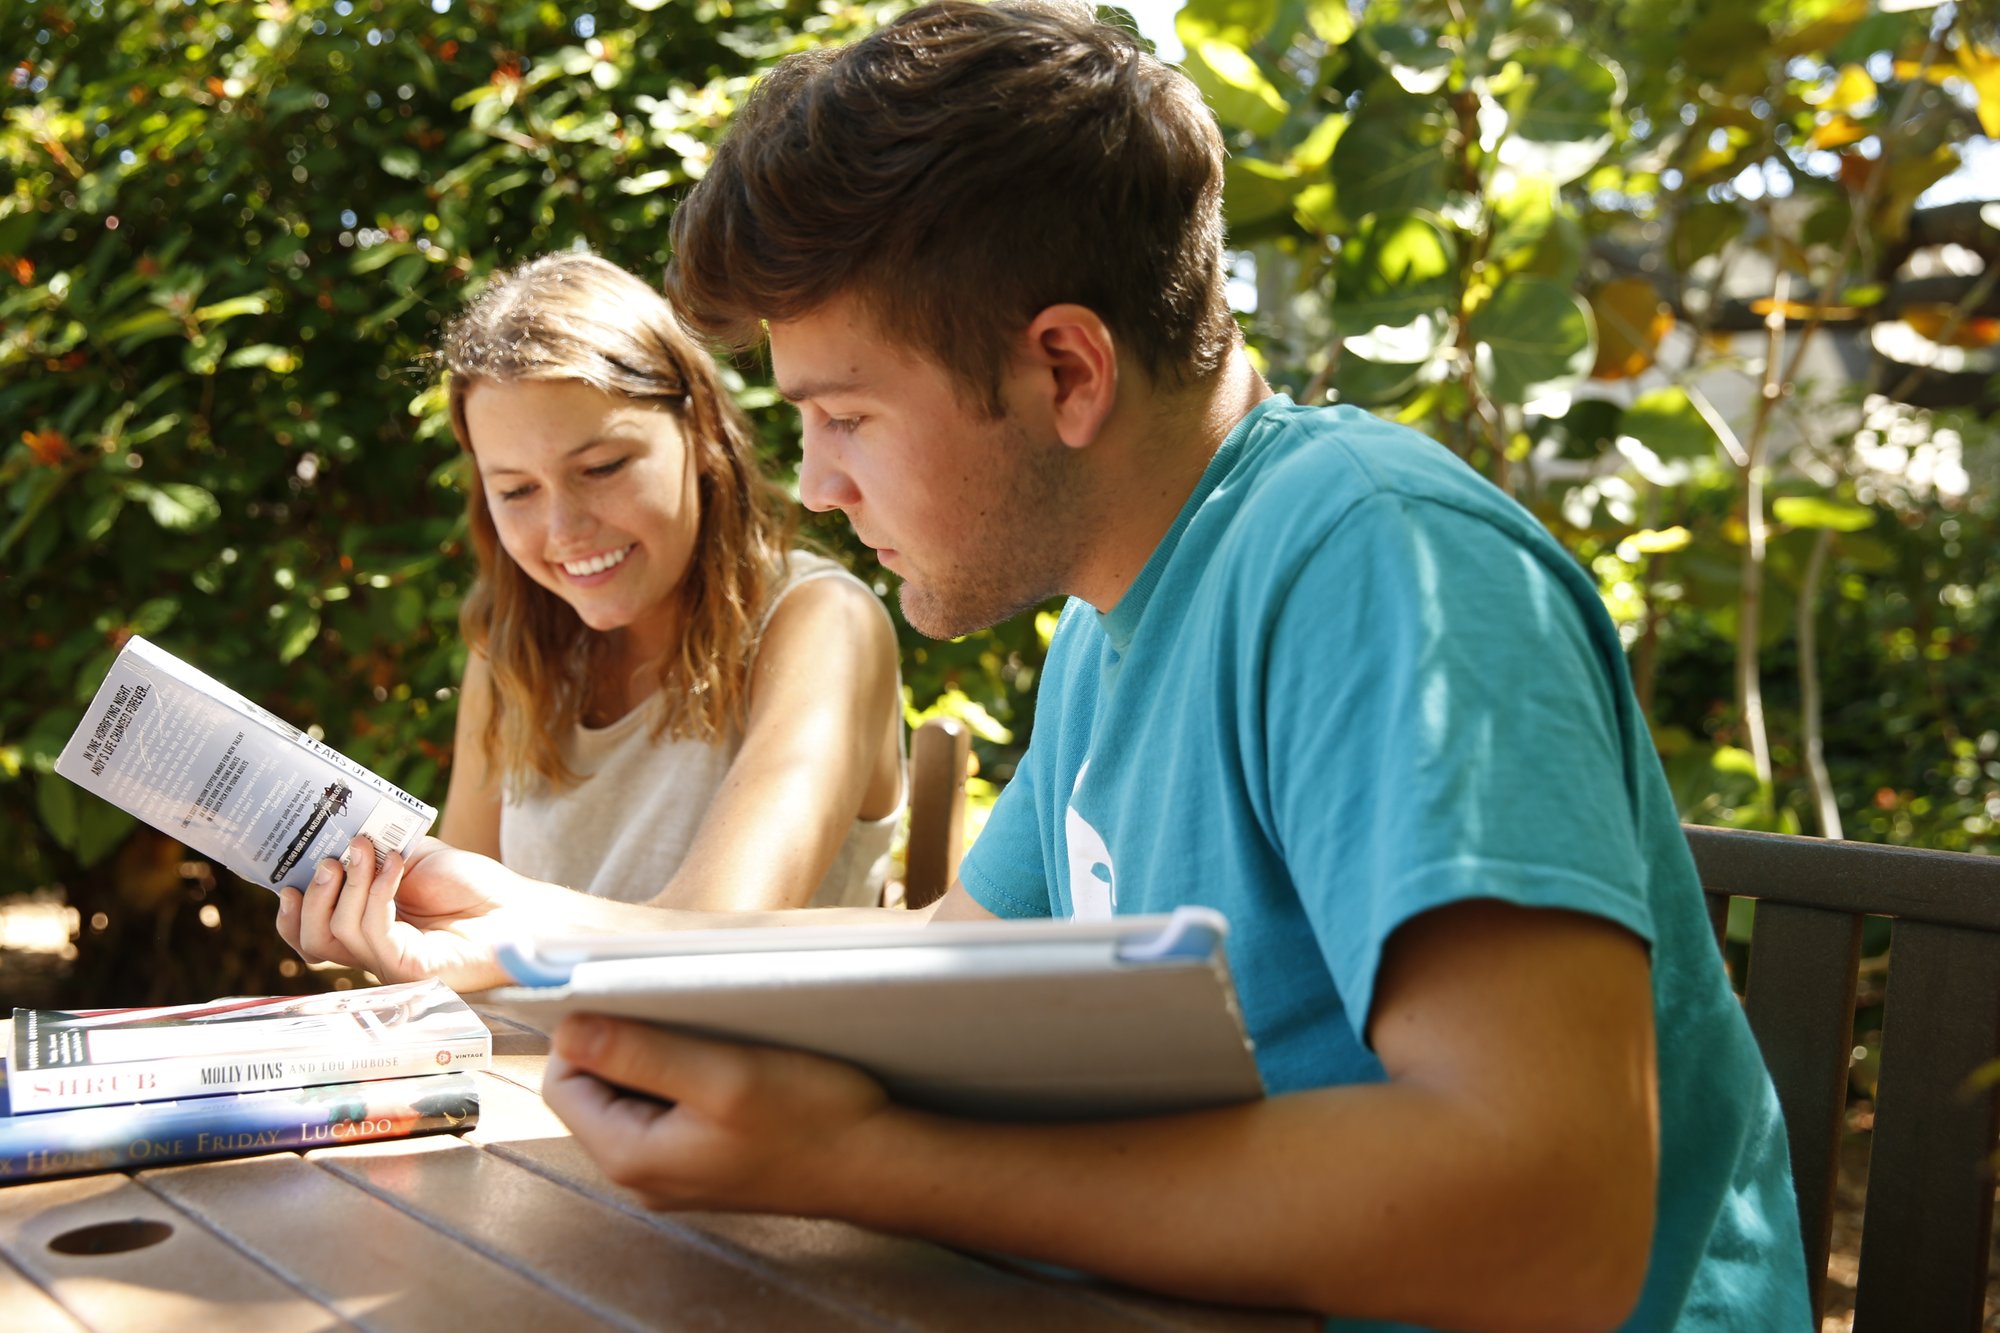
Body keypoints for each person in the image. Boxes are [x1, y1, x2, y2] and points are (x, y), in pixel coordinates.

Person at [286, 5, 1813, 1329]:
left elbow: (1551, 1221)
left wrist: (857, 1159)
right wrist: (527, 925)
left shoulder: (1380, 562)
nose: (813, 484)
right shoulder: (1113, 616)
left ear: (1065, 368)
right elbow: (947, 950)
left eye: (847, 416)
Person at [278, 251, 903, 942]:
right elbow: (446, 930)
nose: (563, 530)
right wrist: (375, 927)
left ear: (698, 434)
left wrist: (498, 916)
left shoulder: (822, 622)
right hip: (535, 1051)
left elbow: (720, 932)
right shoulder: (509, 649)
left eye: (601, 468)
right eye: (516, 489)